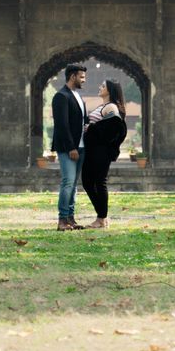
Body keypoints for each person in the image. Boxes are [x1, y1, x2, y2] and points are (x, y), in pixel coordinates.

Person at [81, 79, 127, 229]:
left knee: (98, 183)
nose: (100, 88)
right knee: (88, 182)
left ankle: (101, 219)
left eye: (103, 86)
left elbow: (116, 128)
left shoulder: (111, 107)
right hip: (93, 150)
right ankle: (102, 216)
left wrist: (92, 129)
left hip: (100, 152)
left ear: (110, 90)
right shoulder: (104, 106)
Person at [51, 63, 87, 230]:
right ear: (72, 76)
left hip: (81, 147)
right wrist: (71, 147)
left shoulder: (78, 96)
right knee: (67, 182)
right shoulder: (61, 96)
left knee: (73, 184)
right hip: (68, 148)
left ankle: (70, 219)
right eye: (81, 77)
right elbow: (62, 125)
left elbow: (81, 121)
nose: (84, 80)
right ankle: (62, 220)